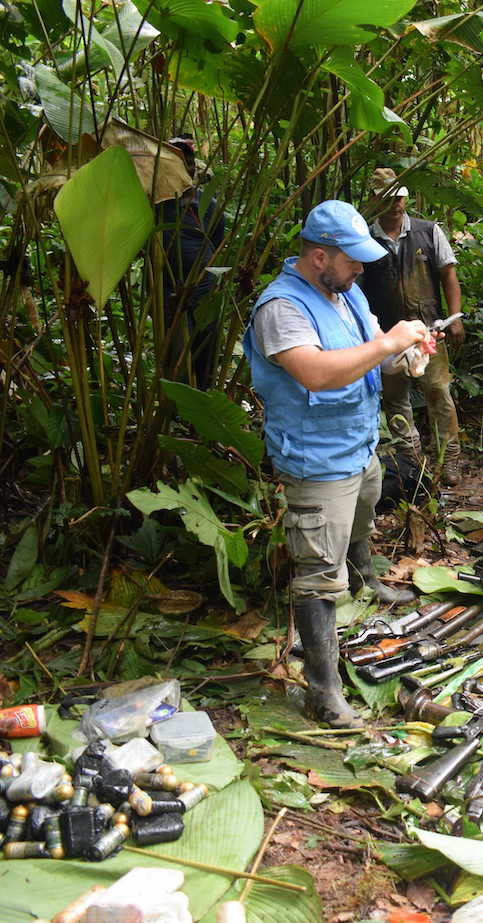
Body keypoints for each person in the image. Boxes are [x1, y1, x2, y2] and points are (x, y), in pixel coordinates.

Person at [243, 200, 434, 728]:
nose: (362, 269)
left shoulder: (344, 294)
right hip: (316, 460)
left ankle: (363, 577)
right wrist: (391, 341)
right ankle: (323, 692)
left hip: (357, 445)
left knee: (365, 510)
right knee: (316, 572)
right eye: (353, 260)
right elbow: (318, 374)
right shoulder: (282, 307)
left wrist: (407, 354)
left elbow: (375, 351)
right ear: (320, 255)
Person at [358, 169, 466, 485]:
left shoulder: (427, 231)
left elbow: (449, 275)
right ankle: (411, 460)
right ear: (375, 200)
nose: (396, 204)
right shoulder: (365, 240)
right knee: (394, 400)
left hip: (428, 332)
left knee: (438, 392)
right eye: (389, 198)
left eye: (400, 197)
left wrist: (455, 318)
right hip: (387, 337)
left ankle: (450, 461)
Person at [158, 133, 226, 389]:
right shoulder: (154, 202)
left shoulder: (208, 205)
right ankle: (178, 412)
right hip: (168, 288)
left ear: (192, 165)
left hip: (205, 285)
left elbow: (216, 243)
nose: (181, 166)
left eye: (185, 160)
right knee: (177, 352)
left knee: (206, 346)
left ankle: (204, 407)